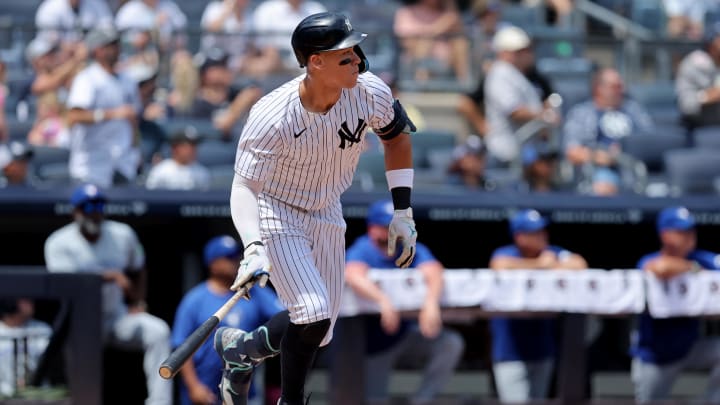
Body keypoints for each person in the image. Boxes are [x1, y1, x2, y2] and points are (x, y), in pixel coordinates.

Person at [212, 12, 418, 405]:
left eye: (356, 51)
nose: (357, 60)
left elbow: (397, 139)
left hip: (326, 208)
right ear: (315, 62)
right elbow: (244, 187)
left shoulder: (369, 90)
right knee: (311, 311)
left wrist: (403, 212)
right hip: (277, 209)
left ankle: (244, 351)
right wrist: (253, 247)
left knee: (318, 330)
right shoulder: (273, 113)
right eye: (346, 55)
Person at [44, 183, 172, 405]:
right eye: (88, 207)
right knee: (72, 369)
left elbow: (139, 267)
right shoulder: (58, 242)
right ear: (75, 212)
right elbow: (63, 283)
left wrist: (138, 301)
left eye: (99, 206)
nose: (94, 213)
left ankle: (159, 402)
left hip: (116, 317)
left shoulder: (122, 234)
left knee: (158, 331)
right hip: (79, 324)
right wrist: (109, 276)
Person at [344, 199, 464, 405]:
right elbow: (352, 274)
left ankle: (421, 400)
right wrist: (383, 301)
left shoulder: (408, 247)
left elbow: (434, 270)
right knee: (374, 400)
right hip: (372, 345)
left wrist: (430, 304)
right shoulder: (363, 248)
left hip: (405, 333)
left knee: (450, 343)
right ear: (373, 228)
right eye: (387, 227)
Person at [172, 235, 285, 405]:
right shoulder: (194, 300)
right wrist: (194, 387)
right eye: (229, 257)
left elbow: (285, 319)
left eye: (237, 256)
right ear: (213, 264)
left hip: (244, 389)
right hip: (204, 388)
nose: (236, 261)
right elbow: (182, 346)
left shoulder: (254, 292)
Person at [489, 209, 587, 403]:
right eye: (535, 232)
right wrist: (539, 265)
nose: (542, 236)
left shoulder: (553, 253)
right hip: (510, 350)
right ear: (519, 237)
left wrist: (552, 265)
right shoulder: (507, 253)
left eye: (543, 231)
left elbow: (579, 264)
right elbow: (498, 265)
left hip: (543, 348)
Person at [631, 206, 720, 404]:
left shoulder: (702, 257)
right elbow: (660, 268)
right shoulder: (651, 259)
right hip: (655, 355)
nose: (689, 236)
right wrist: (692, 268)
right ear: (665, 235)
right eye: (682, 231)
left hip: (690, 348)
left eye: (691, 230)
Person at [65, 25, 142, 188]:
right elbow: (74, 116)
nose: (116, 49)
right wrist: (112, 114)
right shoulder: (87, 78)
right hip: (91, 166)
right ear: (97, 50)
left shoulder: (128, 80)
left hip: (122, 165)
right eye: (110, 45)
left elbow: (133, 121)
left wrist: (135, 151)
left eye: (116, 44)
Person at [562, 67, 654, 195]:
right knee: (603, 187)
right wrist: (600, 156)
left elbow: (651, 140)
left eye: (621, 86)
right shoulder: (581, 113)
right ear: (599, 88)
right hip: (601, 171)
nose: (621, 91)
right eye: (615, 87)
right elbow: (572, 152)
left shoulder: (634, 110)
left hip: (636, 168)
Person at [483, 26, 560, 167]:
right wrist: (545, 116)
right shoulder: (500, 73)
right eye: (519, 51)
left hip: (523, 152)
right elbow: (515, 112)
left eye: (526, 50)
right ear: (504, 53)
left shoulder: (520, 74)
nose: (527, 54)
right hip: (506, 153)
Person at [0, 298, 53, 397]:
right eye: (24, 299)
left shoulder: (42, 329)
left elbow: (49, 362)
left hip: (39, 395)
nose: (31, 302)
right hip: (4, 395)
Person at [675, 27, 720, 129]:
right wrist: (708, 96)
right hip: (699, 128)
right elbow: (686, 106)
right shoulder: (694, 64)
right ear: (711, 43)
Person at [144, 127, 211, 191]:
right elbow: (150, 197)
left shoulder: (202, 172)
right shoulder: (161, 170)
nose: (193, 150)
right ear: (175, 148)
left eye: (195, 145)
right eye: (189, 146)